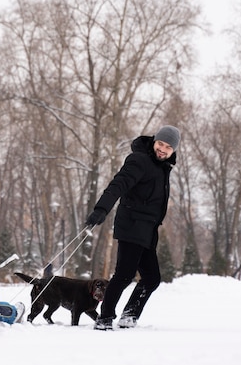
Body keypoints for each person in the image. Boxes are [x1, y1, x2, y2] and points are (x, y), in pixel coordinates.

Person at [85, 125, 180, 330]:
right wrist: (102, 209)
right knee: (124, 274)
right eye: (160, 144)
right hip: (132, 225)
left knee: (152, 278)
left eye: (168, 147)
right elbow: (119, 184)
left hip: (148, 229)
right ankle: (104, 318)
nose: (163, 149)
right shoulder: (140, 160)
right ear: (154, 141)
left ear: (174, 150)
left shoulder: (162, 167)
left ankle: (129, 316)